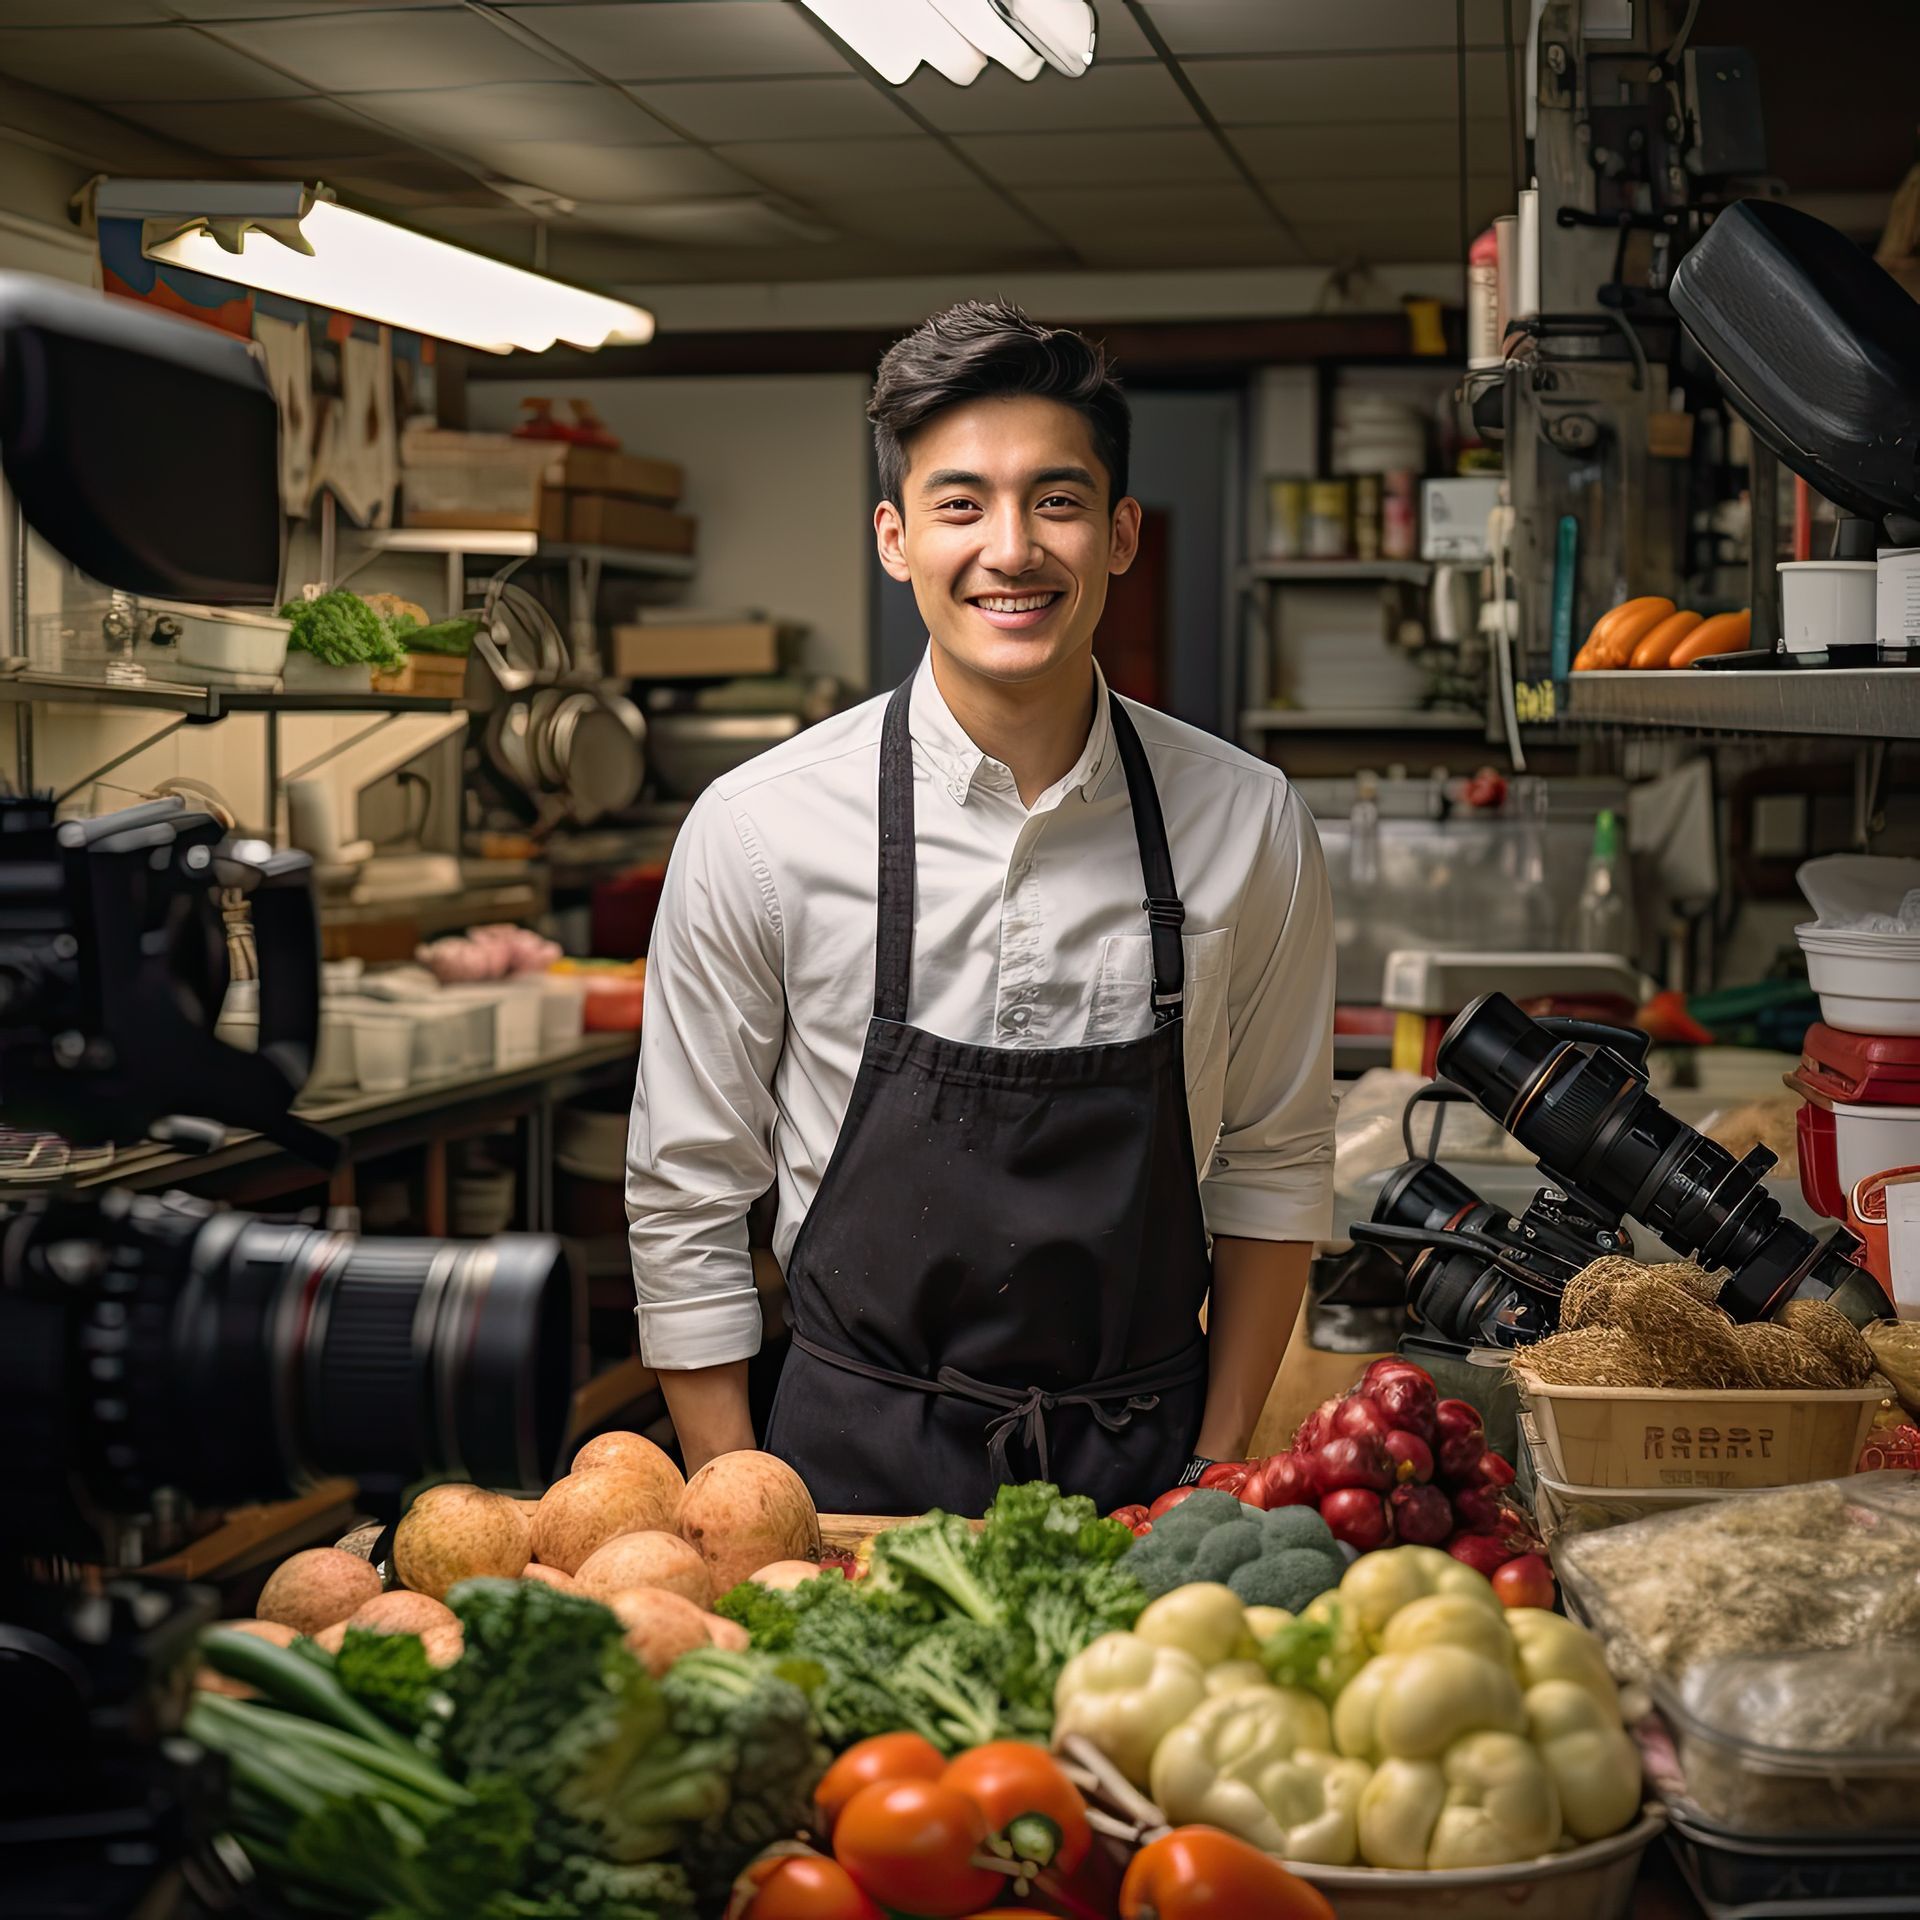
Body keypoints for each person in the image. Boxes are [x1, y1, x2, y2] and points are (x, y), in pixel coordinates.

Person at [627, 300, 1335, 1514]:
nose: (1011, 548)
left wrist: (1216, 1473)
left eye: (1055, 501)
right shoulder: (757, 830)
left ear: (1119, 534)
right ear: (896, 538)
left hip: (1147, 1477)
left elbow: (1274, 1166)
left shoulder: (1249, 821)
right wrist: (735, 1506)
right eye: (961, 504)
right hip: (839, 1469)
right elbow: (687, 1193)